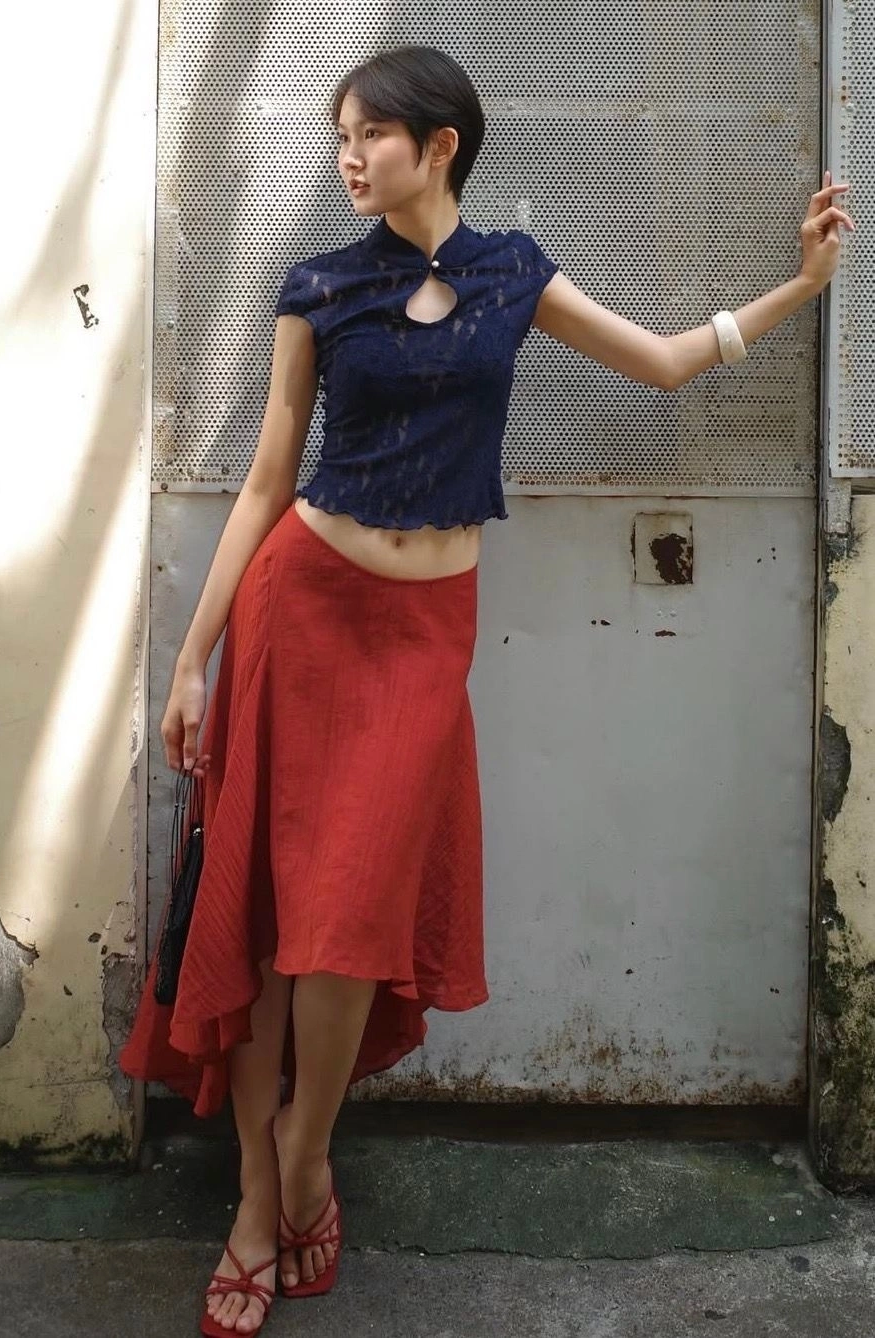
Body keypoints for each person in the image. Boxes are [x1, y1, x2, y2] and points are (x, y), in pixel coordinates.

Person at [120, 42, 854, 1338]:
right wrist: (192, 656)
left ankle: (305, 1148)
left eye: (370, 134)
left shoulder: (513, 273)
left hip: (418, 638)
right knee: (270, 911)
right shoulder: (320, 284)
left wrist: (797, 287)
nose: (348, 156)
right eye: (340, 136)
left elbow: (662, 361)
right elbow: (268, 475)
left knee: (348, 911)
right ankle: (256, 1193)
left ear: (439, 144)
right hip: (301, 610)